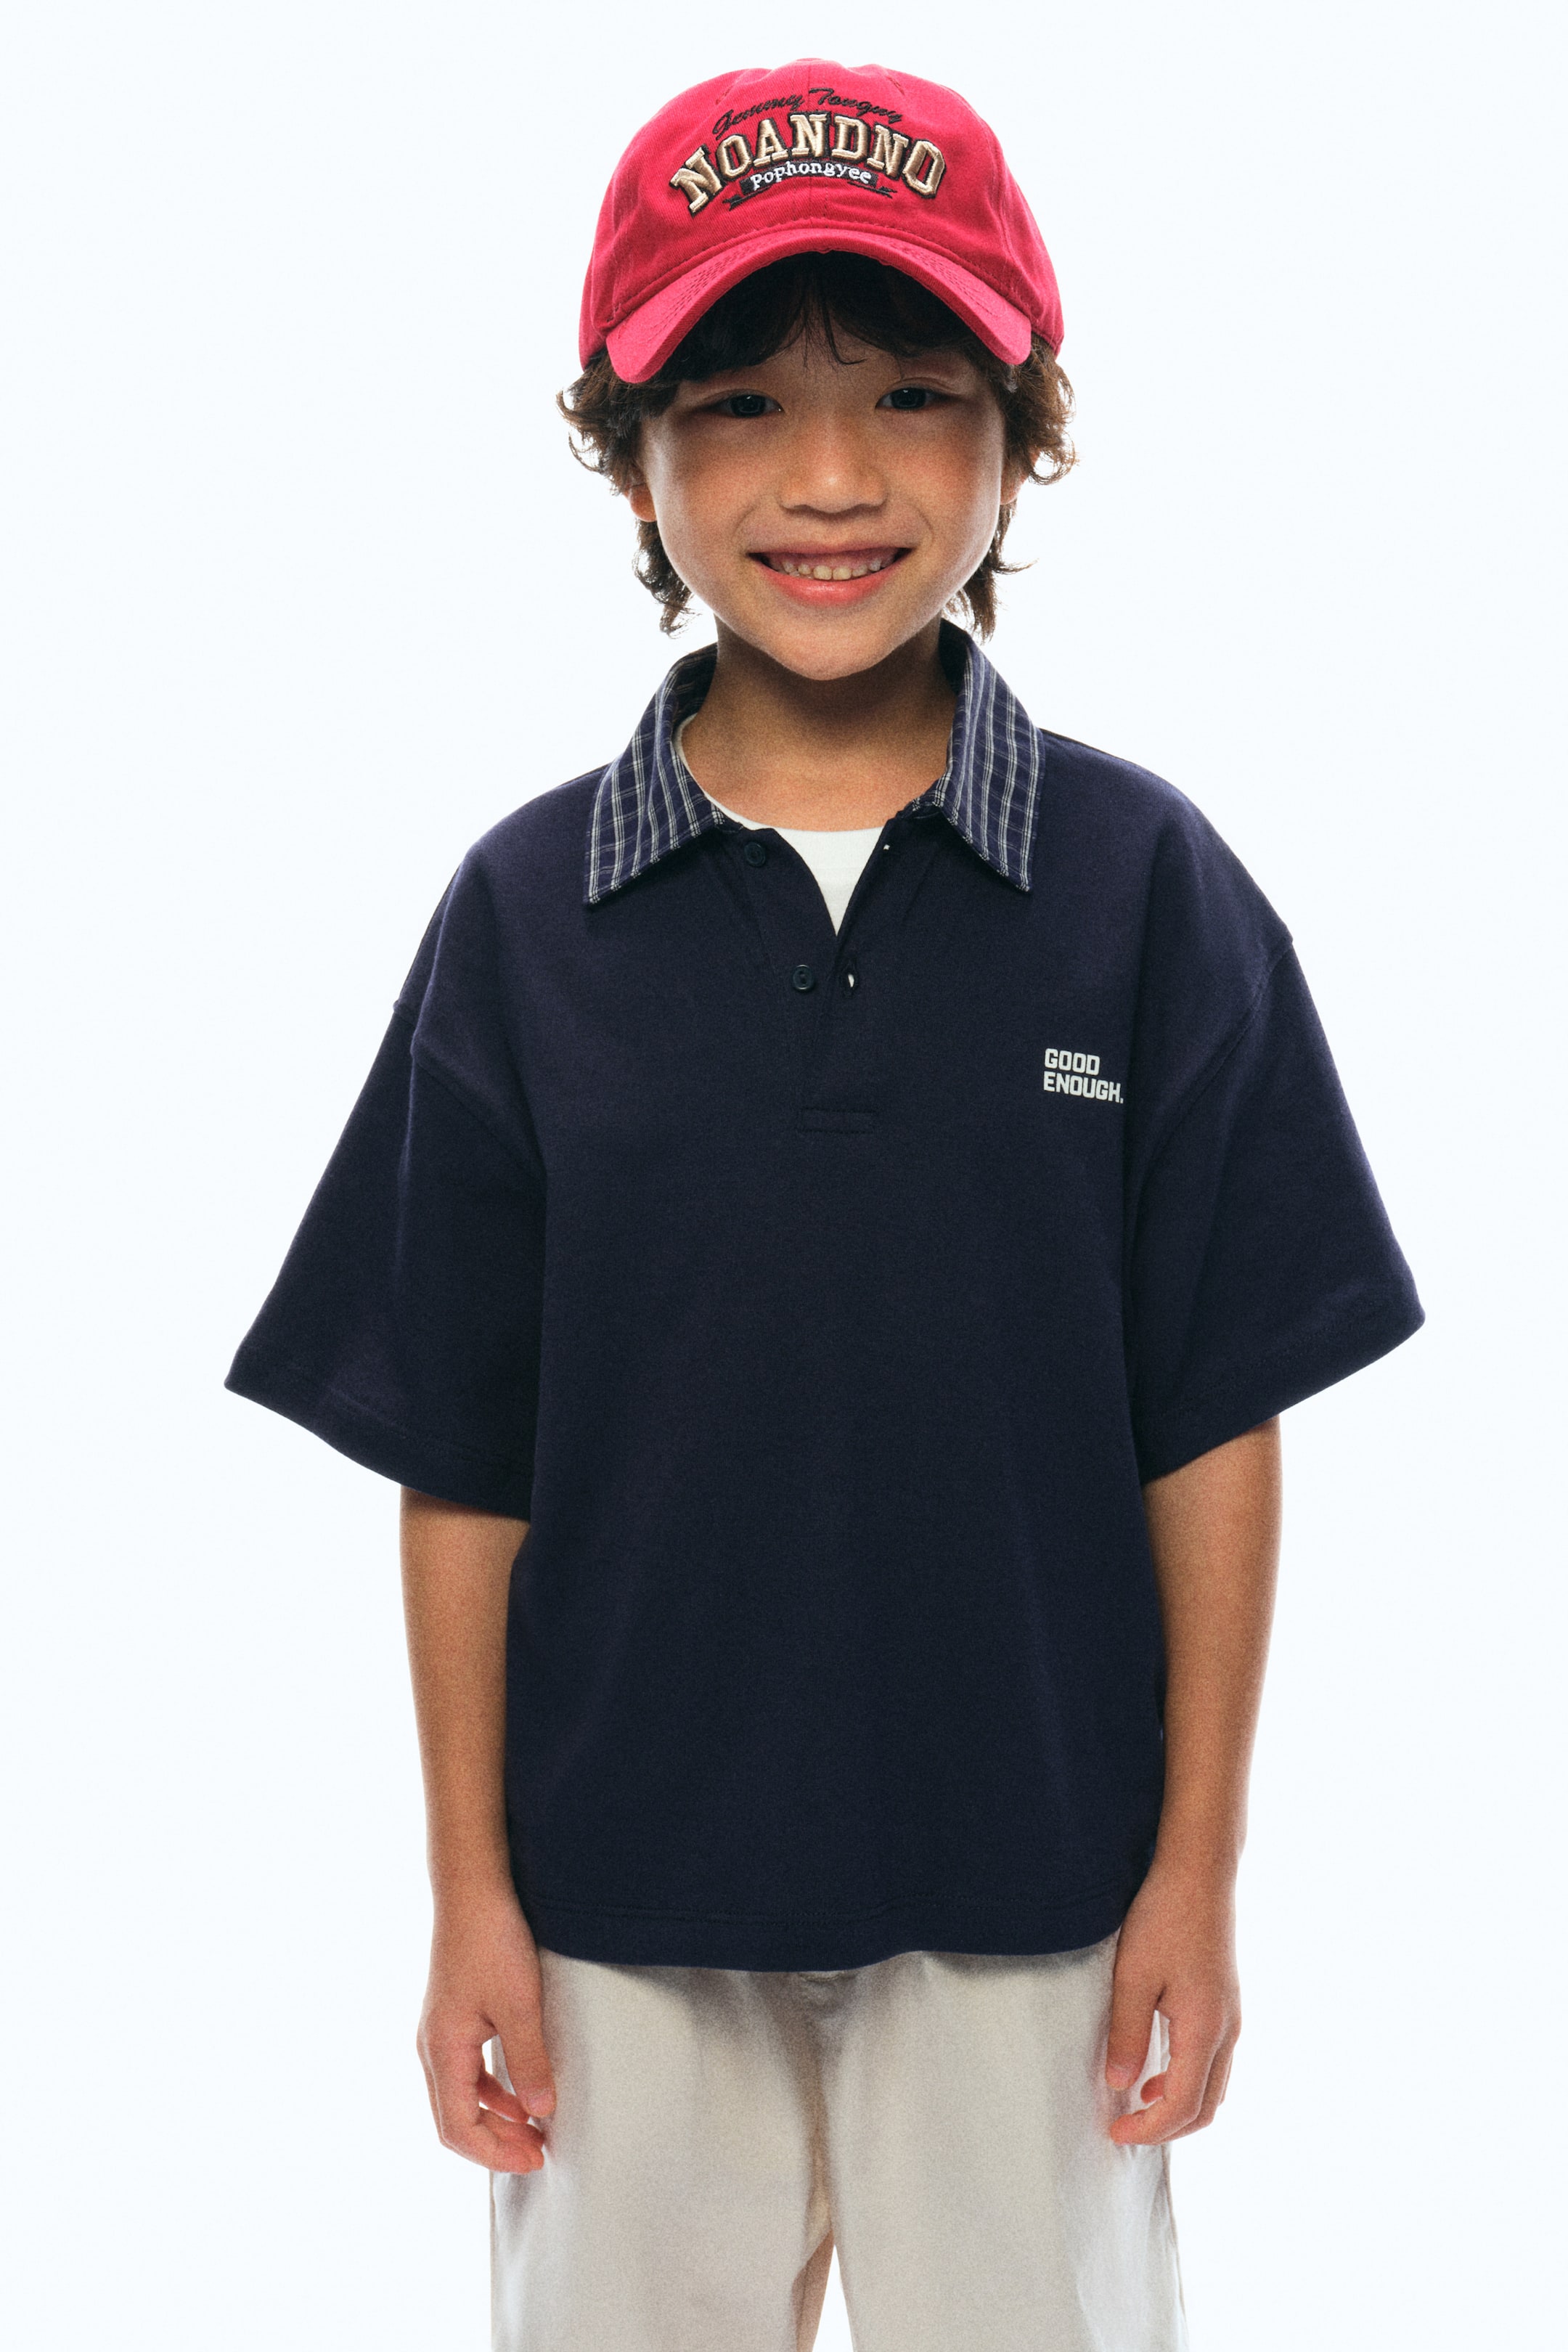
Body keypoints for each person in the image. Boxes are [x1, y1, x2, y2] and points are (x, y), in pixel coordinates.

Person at [226, 58, 1424, 2352]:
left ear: (1020, 432)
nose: (836, 477)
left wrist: (1198, 1871)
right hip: (619, 1899)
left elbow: (1217, 1416)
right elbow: (461, 1458)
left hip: (1040, 1890)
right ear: (634, 455)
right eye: (745, 404)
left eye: (913, 397)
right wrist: (470, 1897)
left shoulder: (1145, 889)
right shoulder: (524, 920)